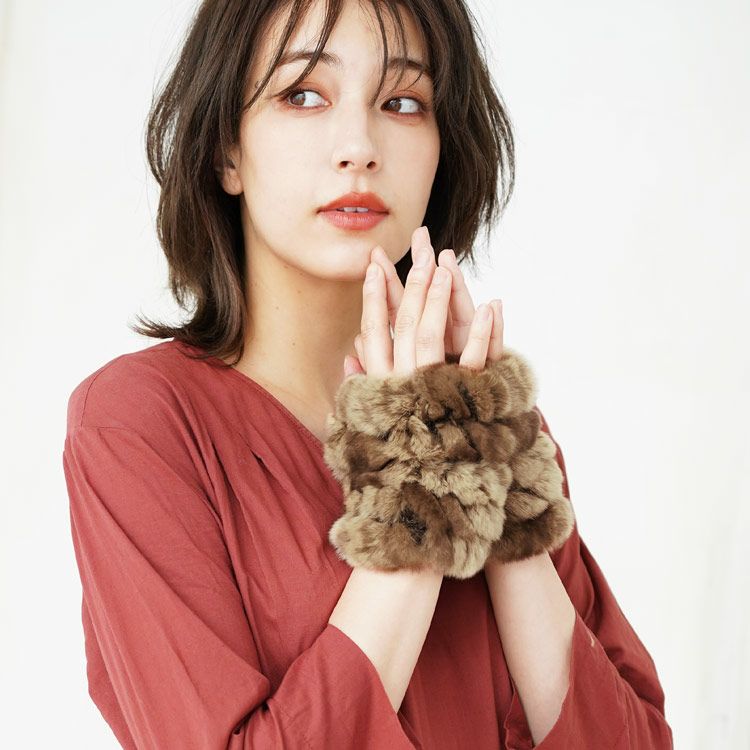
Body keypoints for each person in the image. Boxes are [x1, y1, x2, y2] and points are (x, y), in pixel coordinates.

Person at [62, 0, 674, 747]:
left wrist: (478, 456)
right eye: (302, 95)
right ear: (227, 151)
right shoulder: (139, 422)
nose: (359, 147)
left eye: (403, 102)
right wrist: (422, 493)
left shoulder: (489, 420)